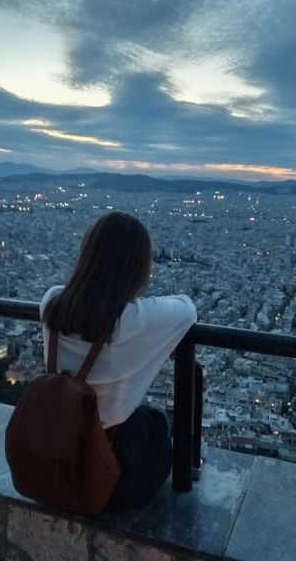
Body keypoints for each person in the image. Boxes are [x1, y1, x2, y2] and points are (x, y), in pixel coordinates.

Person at [40, 211, 197, 509]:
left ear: (86, 253)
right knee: (156, 420)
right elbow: (188, 309)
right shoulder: (133, 320)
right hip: (114, 472)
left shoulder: (51, 302)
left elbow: (81, 303)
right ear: (138, 269)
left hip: (52, 449)